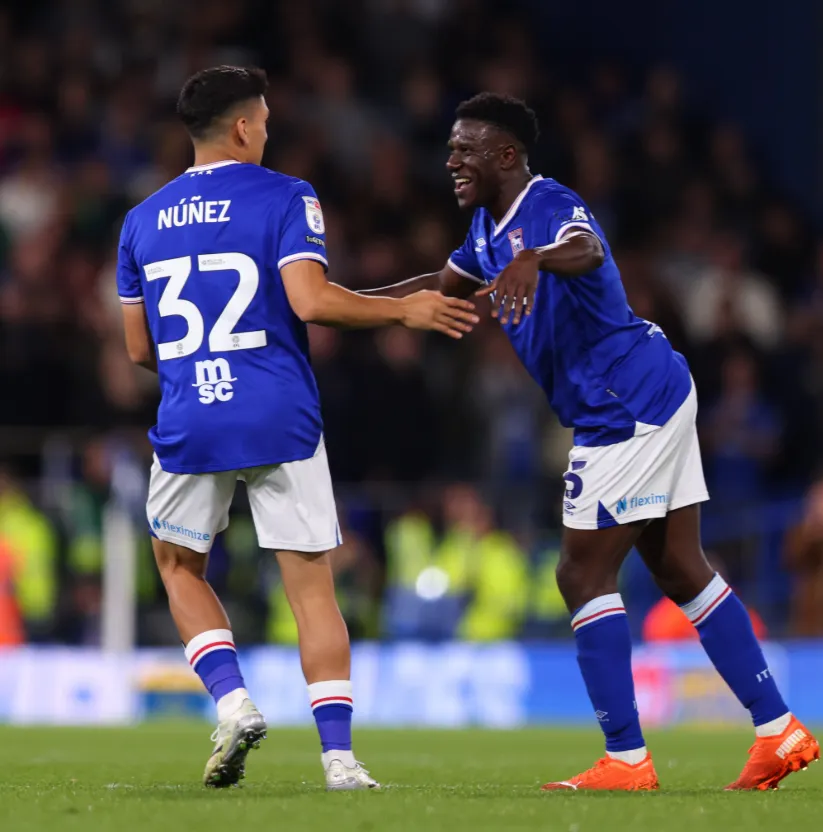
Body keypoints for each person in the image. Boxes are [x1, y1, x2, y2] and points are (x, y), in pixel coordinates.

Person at [365, 92, 819, 791]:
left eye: (466, 149)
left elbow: (586, 248)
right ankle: (777, 729)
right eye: (449, 148)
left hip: (624, 404)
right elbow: (437, 286)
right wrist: (350, 305)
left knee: (579, 574)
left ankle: (627, 759)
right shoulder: (484, 235)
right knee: (676, 566)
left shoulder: (545, 207)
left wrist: (534, 261)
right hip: (649, 388)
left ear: (506, 156)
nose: (451, 160)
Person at [116, 65, 478, 790]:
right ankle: (339, 761)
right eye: (266, 122)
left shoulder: (141, 220)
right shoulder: (287, 195)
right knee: (310, 588)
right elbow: (310, 300)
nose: (268, 132)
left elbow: (136, 350)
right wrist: (402, 308)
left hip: (192, 414)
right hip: (279, 411)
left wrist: (203, 371)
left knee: (178, 565)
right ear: (244, 127)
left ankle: (233, 701)